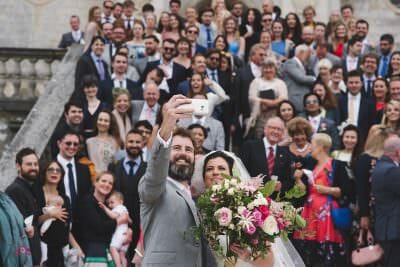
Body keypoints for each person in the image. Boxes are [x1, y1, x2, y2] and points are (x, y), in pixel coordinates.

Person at [138, 95, 208, 266]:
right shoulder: (156, 187)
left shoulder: (197, 196)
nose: (183, 153)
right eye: (176, 148)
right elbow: (156, 170)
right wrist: (166, 127)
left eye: (188, 149)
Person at [292, 133, 349, 266]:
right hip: (310, 211)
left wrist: (326, 190)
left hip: (327, 213)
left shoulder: (336, 165)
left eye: (312, 144)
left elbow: (346, 190)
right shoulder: (312, 165)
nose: (310, 147)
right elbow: (302, 192)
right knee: (309, 249)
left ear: (320, 146)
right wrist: (298, 179)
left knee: (326, 250)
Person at [108, 129, 147, 260]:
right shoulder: (113, 167)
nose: (134, 145)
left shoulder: (149, 169)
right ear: (125, 143)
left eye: (138, 142)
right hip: (118, 222)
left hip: (141, 222)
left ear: (143, 144)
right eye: (131, 141)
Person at [35, 161, 83, 267]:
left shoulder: (65, 198)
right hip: (42, 251)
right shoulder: (36, 194)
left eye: (58, 170)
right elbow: (32, 223)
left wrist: (77, 248)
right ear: (44, 172)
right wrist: (50, 215)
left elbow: (67, 229)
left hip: (61, 252)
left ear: (62, 175)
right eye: (51, 169)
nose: (55, 172)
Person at [75, 172, 127, 258]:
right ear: (95, 182)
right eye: (103, 181)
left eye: (110, 183)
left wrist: (128, 232)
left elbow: (125, 220)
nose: (107, 185)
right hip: (93, 250)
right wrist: (119, 221)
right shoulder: (87, 201)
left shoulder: (110, 205)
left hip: (111, 249)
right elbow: (99, 227)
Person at [6, 148, 41, 266]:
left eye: (36, 164)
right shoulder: (15, 191)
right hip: (25, 258)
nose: (33, 167)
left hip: (33, 256)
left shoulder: (29, 187)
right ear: (18, 166)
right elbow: (21, 230)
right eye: (29, 164)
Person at [240, 117, 292, 196]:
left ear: (283, 133)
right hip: (251, 196)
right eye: (273, 128)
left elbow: (288, 180)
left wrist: (281, 185)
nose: (275, 131)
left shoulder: (285, 153)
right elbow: (240, 171)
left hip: (274, 201)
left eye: (279, 129)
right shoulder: (250, 146)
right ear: (265, 129)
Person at [371, 135, 400, 267]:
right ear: (398, 152)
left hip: (387, 228)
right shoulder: (391, 170)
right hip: (393, 230)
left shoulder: (381, 166)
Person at [356, 126, 389, 232]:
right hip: (372, 207)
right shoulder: (365, 159)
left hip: (385, 207)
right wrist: (364, 214)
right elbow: (362, 188)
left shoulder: (389, 159)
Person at [246, 57, 288, 138]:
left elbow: (284, 98)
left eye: (270, 68)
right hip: (260, 117)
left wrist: (271, 104)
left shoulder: (280, 83)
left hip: (276, 116)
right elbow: (252, 97)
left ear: (275, 69)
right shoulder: (256, 82)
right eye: (265, 68)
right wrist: (263, 102)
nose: (268, 70)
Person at [99, 191, 131, 267]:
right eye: (109, 203)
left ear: (121, 201)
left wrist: (105, 208)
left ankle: (118, 265)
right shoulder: (124, 209)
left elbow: (113, 216)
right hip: (125, 235)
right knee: (122, 255)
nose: (110, 205)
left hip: (119, 235)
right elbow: (130, 220)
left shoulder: (119, 208)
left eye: (112, 202)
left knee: (112, 248)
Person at [280, 44, 315, 112]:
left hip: (303, 101)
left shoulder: (303, 65)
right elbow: (301, 78)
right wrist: (315, 79)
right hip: (295, 100)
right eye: (308, 54)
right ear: (301, 52)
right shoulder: (290, 63)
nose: (309, 57)